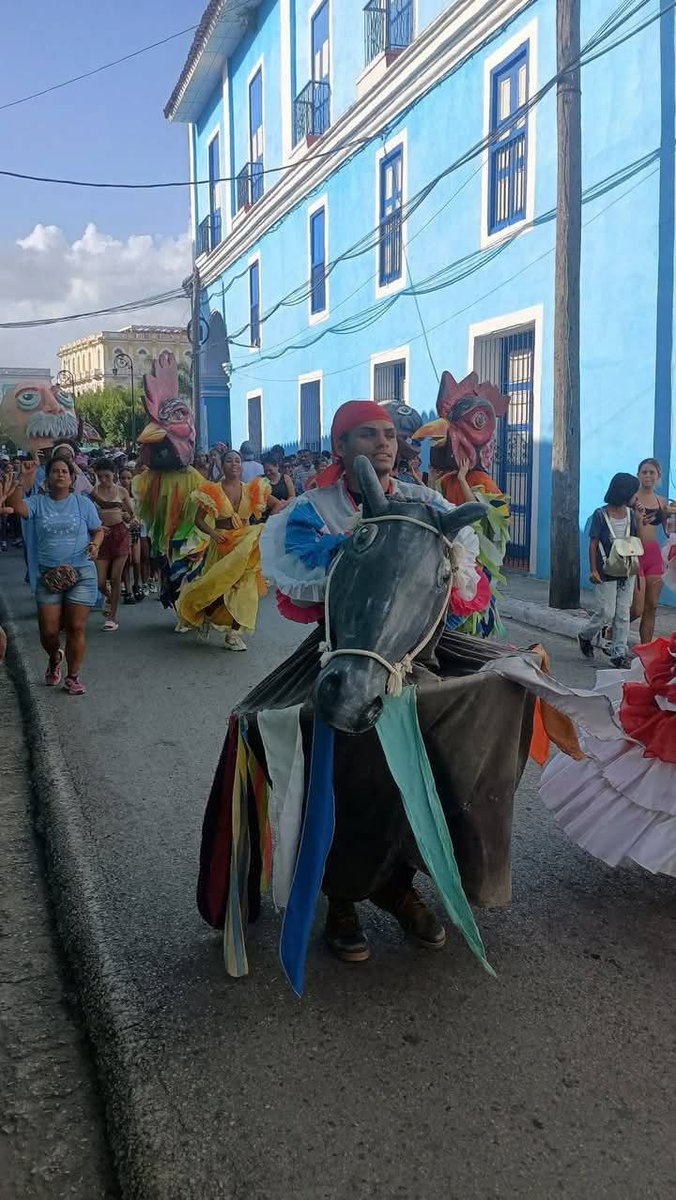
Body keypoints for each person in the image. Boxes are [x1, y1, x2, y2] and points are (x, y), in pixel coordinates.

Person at [3, 456, 103, 695]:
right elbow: (17, 507)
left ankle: (73, 676)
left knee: (75, 626)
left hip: (80, 572)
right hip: (49, 575)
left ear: (71, 478)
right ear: (47, 477)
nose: (60, 474)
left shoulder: (82, 503)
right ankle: (54, 657)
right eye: (55, 471)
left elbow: (97, 530)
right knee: (48, 632)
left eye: (64, 472)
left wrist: (95, 545)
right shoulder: (37, 502)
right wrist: (22, 479)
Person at [175, 449, 280, 649]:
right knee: (218, 587)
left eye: (237, 461)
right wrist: (213, 534)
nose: (234, 464)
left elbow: (277, 504)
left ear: (241, 465)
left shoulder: (252, 489)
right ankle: (204, 614)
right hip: (222, 545)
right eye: (229, 461)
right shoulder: (212, 490)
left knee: (246, 590)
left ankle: (233, 633)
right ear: (222, 465)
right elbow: (198, 520)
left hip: (245, 544)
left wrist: (270, 524)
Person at [578, 472, 641, 670]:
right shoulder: (600, 514)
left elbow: (635, 541)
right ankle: (585, 635)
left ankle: (618, 653)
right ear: (624, 493)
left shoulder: (631, 514)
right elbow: (593, 543)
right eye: (633, 493)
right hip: (606, 570)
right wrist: (593, 569)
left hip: (627, 570)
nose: (636, 497)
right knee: (606, 611)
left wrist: (640, 517)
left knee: (623, 612)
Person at [631, 458, 676, 644]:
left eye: (652, 472)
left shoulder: (662, 501)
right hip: (634, 553)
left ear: (658, 476)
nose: (648, 476)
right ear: (638, 474)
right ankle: (610, 630)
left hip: (653, 554)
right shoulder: (631, 499)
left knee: (652, 606)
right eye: (644, 472)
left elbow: (668, 530)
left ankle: (645, 651)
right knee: (637, 608)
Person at [92, 459, 134, 631]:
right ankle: (109, 596)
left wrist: (128, 518)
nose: (104, 480)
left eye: (107, 476)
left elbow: (131, 515)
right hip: (101, 537)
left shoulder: (121, 491)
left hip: (120, 535)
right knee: (100, 582)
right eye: (100, 476)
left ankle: (112, 617)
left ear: (113, 474)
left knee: (116, 577)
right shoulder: (93, 492)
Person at [119, 465, 144, 603]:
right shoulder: (117, 493)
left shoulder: (137, 493)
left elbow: (141, 512)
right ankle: (128, 589)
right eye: (123, 478)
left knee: (136, 560)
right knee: (126, 561)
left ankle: (137, 585)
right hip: (122, 530)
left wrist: (136, 520)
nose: (125, 481)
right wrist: (123, 516)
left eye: (128, 478)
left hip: (135, 529)